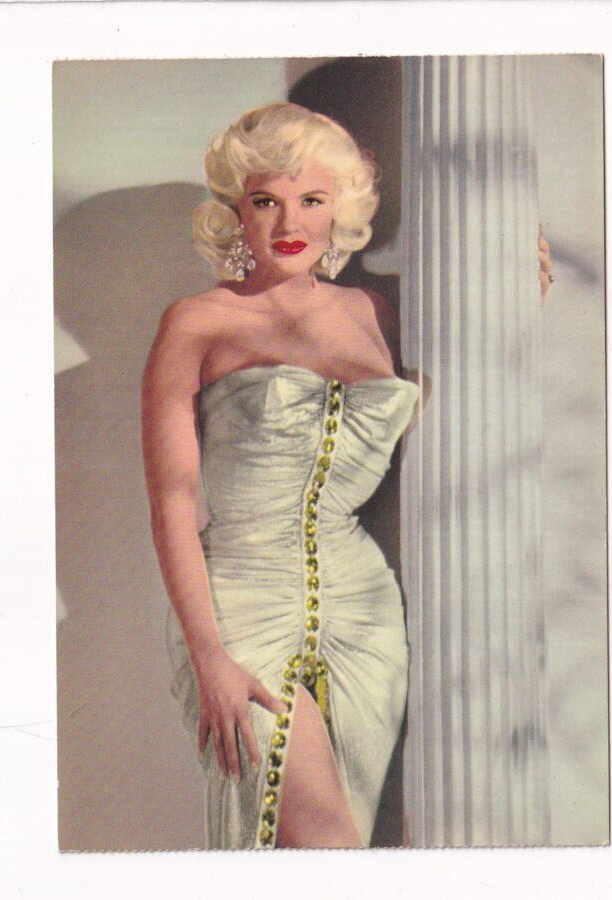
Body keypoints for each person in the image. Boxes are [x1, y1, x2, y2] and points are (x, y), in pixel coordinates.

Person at [141, 102, 553, 851]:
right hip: (238, 604)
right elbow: (172, 506)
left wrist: (516, 299)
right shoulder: (196, 322)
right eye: (265, 200)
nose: (288, 221)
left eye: (311, 199)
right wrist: (209, 657)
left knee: (345, 849)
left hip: (366, 613)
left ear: (341, 209)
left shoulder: (376, 314)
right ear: (237, 210)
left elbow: (458, 399)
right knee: (320, 839)